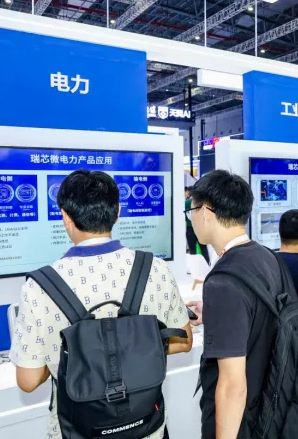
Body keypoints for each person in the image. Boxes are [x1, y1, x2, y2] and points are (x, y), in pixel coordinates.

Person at [12, 170, 193, 439]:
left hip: (77, 431)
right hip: (146, 427)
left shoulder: (38, 287)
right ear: (118, 212)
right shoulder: (155, 269)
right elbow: (184, 341)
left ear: (65, 216)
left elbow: (28, 380)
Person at [184, 170, 295, 439]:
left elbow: (233, 386)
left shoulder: (222, 281)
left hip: (242, 421)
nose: (191, 219)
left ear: (206, 212)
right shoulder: (266, 256)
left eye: (191, 211)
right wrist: (215, 315)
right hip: (270, 406)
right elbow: (259, 315)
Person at [185, 186, 210, 264]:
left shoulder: (187, 203)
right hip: (201, 227)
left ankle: (194, 266)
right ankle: (207, 264)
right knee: (203, 248)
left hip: (190, 228)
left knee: (192, 249)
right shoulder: (203, 203)